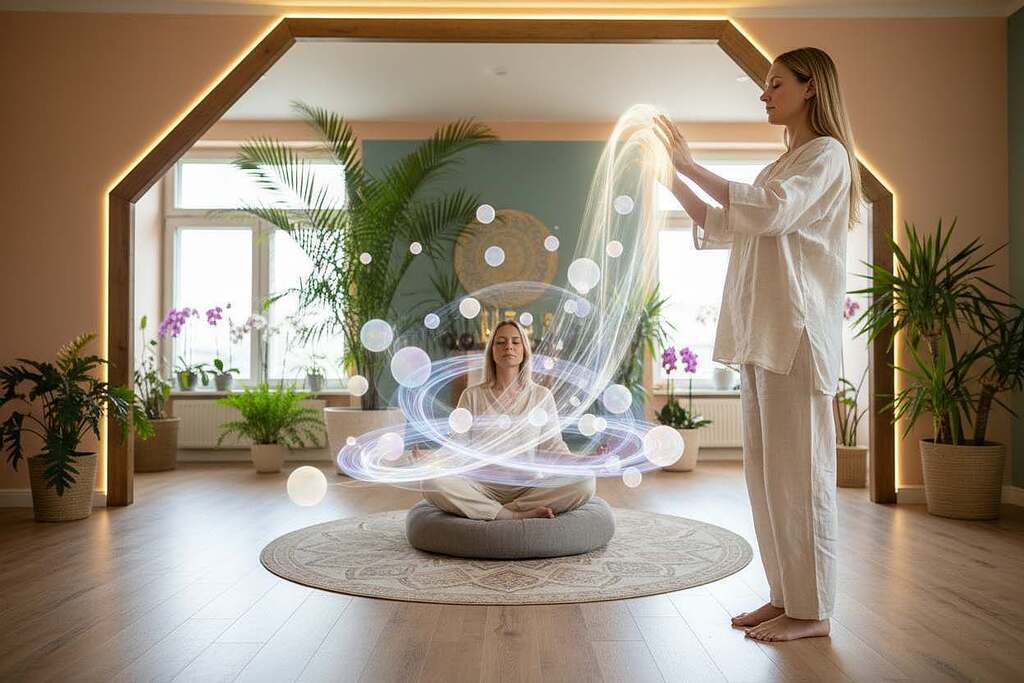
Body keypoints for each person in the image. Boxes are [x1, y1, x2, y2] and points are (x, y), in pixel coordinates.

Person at [654, 47, 862, 642]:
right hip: (761, 337)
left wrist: (691, 164)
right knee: (768, 479)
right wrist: (670, 177)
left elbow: (769, 214)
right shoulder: (782, 164)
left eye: (775, 84)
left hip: (795, 339)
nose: (764, 93)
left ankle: (815, 612)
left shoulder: (826, 157)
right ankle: (786, 596)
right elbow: (724, 225)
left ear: (812, 87)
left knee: (801, 479)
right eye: (763, 85)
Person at [419, 320, 596, 521]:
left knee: (586, 481)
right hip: (480, 486)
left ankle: (505, 510)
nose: (508, 347)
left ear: (524, 351)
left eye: (515, 342)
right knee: (432, 482)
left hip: (529, 488)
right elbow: (458, 446)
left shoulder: (542, 396)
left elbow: (554, 449)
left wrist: (584, 460)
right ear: (492, 352)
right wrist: (433, 459)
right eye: (500, 342)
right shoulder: (472, 395)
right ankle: (507, 514)